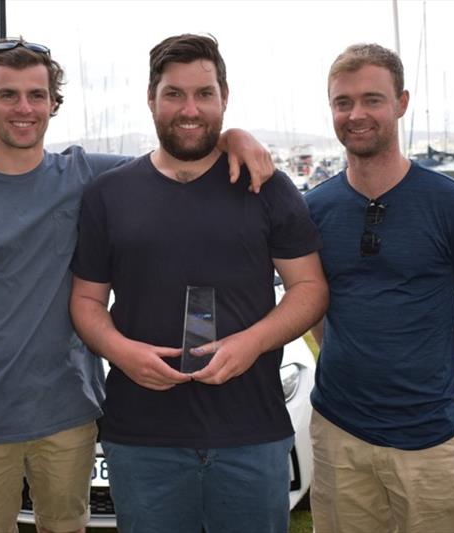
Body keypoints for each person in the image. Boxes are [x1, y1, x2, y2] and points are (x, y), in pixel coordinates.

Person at [0, 38, 277, 533]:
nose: (24, 108)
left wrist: (234, 136)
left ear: (53, 102)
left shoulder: (86, 175)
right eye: (8, 95)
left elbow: (178, 147)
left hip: (69, 414)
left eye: (37, 94)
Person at [69, 34, 328, 533]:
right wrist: (120, 351)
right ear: (151, 99)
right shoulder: (109, 194)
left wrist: (253, 342)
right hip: (142, 436)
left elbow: (310, 288)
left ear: (224, 99)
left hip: (250, 432)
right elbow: (85, 298)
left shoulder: (264, 185)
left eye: (204, 93)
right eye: (174, 94)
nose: (190, 109)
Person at [305, 43, 454, 533]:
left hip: (430, 440)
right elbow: (312, 300)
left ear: (401, 102)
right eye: (343, 102)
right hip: (338, 432)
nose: (356, 114)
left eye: (372, 99)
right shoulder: (314, 209)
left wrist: (443, 374)